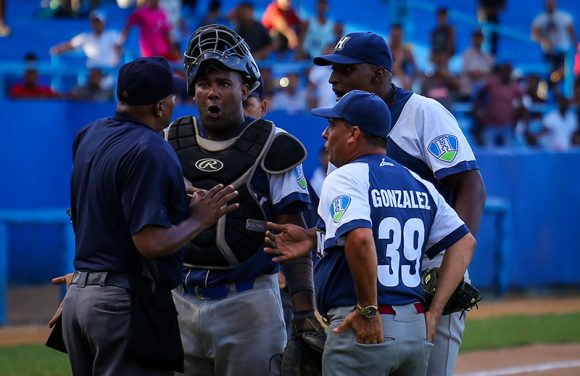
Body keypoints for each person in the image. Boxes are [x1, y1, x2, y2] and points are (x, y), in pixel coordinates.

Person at [264, 89, 476, 375]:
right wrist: (435, 311)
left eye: (332, 126)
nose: (325, 135)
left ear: (353, 134)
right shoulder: (416, 181)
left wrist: (368, 308)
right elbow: (465, 241)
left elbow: (362, 237)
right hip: (413, 326)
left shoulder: (344, 176)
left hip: (364, 324)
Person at [312, 31, 486, 376]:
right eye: (333, 70)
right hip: (377, 275)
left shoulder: (424, 113)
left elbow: (471, 186)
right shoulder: (345, 132)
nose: (333, 79)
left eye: (346, 70)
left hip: (428, 266)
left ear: (377, 75)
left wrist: (446, 267)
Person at [59, 56, 239, 375]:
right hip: (120, 304)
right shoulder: (151, 148)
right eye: (171, 97)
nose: (174, 102)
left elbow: (104, 203)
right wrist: (199, 218)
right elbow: (150, 243)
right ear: (159, 106)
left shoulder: (90, 134)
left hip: (80, 298)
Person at [166, 24, 319, 375]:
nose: (213, 93)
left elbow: (292, 237)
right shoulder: (170, 141)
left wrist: (305, 313)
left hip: (248, 303)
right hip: (179, 300)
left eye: (223, 83)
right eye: (204, 84)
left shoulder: (275, 145)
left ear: (244, 88)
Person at [49, 9, 121, 69]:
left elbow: (118, 47)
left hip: (108, 73)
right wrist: (58, 49)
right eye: (94, 22)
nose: (96, 25)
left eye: (98, 22)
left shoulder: (112, 35)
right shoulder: (85, 37)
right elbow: (70, 45)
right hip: (92, 74)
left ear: (104, 23)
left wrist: (116, 62)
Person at [531, 0, 576, 87]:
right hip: (549, 52)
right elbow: (534, 34)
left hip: (563, 51)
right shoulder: (540, 18)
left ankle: (547, 85)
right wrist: (543, 40)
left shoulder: (564, 16)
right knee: (552, 72)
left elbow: (572, 33)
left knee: (563, 72)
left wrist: (575, 49)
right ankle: (550, 88)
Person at [459, 29, 495, 101]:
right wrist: (484, 73)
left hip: (484, 92)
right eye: (476, 37)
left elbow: (492, 73)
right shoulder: (467, 54)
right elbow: (472, 74)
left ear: (483, 39)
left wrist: (482, 73)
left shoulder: (487, 55)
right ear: (472, 39)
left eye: (480, 37)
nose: (478, 40)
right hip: (469, 92)